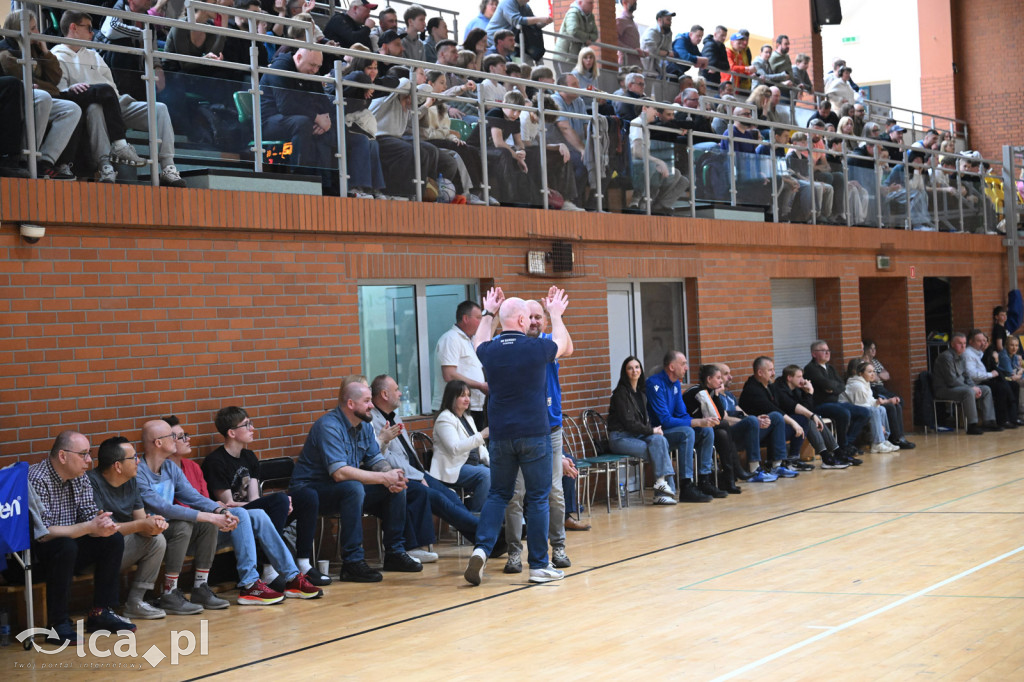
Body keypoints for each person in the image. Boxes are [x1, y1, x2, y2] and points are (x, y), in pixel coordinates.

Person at [137, 420, 321, 605]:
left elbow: (194, 497)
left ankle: (288, 577)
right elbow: (164, 507)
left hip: (193, 530)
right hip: (166, 535)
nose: (177, 439)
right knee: (237, 514)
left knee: (253, 513)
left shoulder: (170, 468)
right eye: (173, 436)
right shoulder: (140, 472)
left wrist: (222, 510)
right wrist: (210, 516)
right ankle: (250, 582)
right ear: (158, 442)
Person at [463, 286, 570, 586]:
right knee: (537, 498)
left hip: (499, 436)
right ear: (523, 321)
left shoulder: (490, 350)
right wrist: (555, 315)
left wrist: (488, 313)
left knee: (499, 494)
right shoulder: (536, 348)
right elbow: (561, 343)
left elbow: (478, 340)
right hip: (534, 434)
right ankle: (538, 565)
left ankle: (482, 550)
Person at [291, 381, 423, 582]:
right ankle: (352, 563)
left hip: (342, 489)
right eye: (368, 401)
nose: (372, 405)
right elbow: (339, 473)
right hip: (311, 492)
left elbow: (375, 459)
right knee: (353, 488)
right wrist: (383, 478)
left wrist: (391, 475)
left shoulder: (363, 427)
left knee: (394, 488)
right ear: (351, 404)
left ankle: (395, 553)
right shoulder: (329, 426)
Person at [53, 10, 185, 187]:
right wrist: (71, 88)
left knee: (159, 108)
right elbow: (60, 90)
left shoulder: (94, 55)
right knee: (95, 108)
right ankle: (105, 165)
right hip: (92, 107)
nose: (93, 33)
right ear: (73, 27)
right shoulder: (57, 55)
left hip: (117, 103)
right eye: (89, 28)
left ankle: (168, 167)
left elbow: (112, 87)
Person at [203, 406, 329, 586]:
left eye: (251, 424)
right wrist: (279, 502)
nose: (252, 429)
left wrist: (283, 503)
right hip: (234, 517)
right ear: (231, 432)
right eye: (246, 425)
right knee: (279, 500)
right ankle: (268, 569)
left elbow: (255, 500)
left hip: (254, 512)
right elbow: (228, 504)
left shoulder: (249, 456)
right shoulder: (215, 461)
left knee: (307, 496)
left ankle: (303, 564)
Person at [29, 431, 134, 644]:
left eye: (89, 454)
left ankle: (101, 612)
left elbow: (88, 513)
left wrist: (102, 525)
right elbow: (43, 532)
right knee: (65, 546)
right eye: (83, 454)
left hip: (69, 547)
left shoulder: (80, 477)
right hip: (36, 554)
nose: (89, 461)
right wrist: (88, 527)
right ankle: (58, 624)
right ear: (62, 456)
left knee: (112, 539)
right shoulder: (36, 478)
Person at [502, 297, 578, 573]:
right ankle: (514, 553)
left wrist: (557, 315)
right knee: (515, 494)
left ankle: (557, 546)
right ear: (521, 319)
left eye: (539, 316)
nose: (534, 321)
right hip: (521, 432)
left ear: (544, 321)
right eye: (529, 316)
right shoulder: (513, 346)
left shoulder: (548, 343)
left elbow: (567, 348)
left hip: (551, 429)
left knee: (554, 492)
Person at [371, 374, 480, 557]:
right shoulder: (372, 420)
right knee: (436, 498)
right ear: (384, 394)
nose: (400, 394)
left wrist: (420, 473)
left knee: (450, 497)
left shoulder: (395, 416)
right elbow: (385, 456)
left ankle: (481, 537)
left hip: (417, 470)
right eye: (396, 390)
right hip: (399, 473)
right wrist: (416, 475)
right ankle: (486, 532)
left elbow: (406, 453)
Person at [86, 436, 169, 621]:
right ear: (117, 466)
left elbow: (141, 521)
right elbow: (101, 529)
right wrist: (141, 525)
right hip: (96, 551)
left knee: (157, 540)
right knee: (114, 540)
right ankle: (106, 609)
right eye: (134, 457)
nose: (138, 461)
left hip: (122, 544)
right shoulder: (91, 483)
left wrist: (154, 525)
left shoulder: (131, 480)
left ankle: (135, 602)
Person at [646, 350, 725, 502]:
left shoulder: (675, 383)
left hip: (673, 429)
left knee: (707, 430)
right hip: (658, 433)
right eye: (683, 364)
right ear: (671, 367)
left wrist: (703, 421)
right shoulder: (654, 384)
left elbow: (682, 414)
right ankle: (686, 485)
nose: (687, 368)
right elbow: (665, 420)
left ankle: (704, 480)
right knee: (687, 432)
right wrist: (696, 422)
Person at [607, 356, 677, 504]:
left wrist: (653, 431)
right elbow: (629, 423)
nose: (634, 371)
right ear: (625, 372)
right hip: (620, 438)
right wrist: (651, 431)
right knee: (658, 450)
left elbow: (641, 423)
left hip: (636, 435)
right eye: (630, 368)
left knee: (660, 441)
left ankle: (660, 486)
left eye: (637, 367)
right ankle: (663, 491)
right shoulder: (620, 394)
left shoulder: (641, 393)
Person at [736, 357, 806, 477]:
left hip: (764, 428)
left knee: (799, 418)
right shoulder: (752, 389)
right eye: (770, 370)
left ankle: (778, 465)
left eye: (773, 370)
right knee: (776, 417)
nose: (774, 373)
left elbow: (785, 404)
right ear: (760, 372)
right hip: (749, 433)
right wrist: (793, 423)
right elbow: (772, 408)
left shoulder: (769, 386)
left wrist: (810, 411)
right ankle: (757, 469)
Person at [804, 340, 869, 463]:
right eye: (823, 350)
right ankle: (842, 446)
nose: (827, 352)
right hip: (819, 405)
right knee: (843, 412)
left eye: (828, 350)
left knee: (864, 412)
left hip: (834, 402)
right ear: (814, 354)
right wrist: (832, 387)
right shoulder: (811, 369)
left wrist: (832, 388)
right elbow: (826, 383)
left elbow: (842, 385)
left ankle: (848, 442)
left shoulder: (830, 368)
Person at [431, 379, 491, 511]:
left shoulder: (467, 417)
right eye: (462, 395)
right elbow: (455, 448)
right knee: (487, 475)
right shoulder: (444, 418)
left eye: (468, 395)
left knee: (500, 472)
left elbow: (480, 448)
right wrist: (482, 435)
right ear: (452, 397)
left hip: (473, 465)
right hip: (454, 468)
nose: (467, 399)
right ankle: (474, 520)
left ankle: (500, 520)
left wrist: (493, 463)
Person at [774, 365, 850, 468]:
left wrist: (808, 393)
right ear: (789, 378)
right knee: (807, 419)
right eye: (799, 377)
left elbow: (808, 410)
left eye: (802, 376)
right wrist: (810, 393)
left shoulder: (797, 389)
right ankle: (825, 457)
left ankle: (837, 452)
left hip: (795, 421)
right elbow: (796, 409)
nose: (803, 380)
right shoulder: (779, 389)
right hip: (781, 424)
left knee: (813, 417)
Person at [432, 300, 489, 427]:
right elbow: (449, 375)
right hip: (454, 408)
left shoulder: (472, 340)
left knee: (478, 445)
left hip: (474, 406)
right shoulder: (451, 339)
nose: (481, 322)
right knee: (464, 445)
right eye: (479, 318)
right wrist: (480, 385)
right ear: (465, 318)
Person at [932, 332, 996, 435]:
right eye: (959, 343)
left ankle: (989, 422)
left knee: (986, 389)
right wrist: (971, 389)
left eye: (965, 343)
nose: (963, 346)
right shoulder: (946, 357)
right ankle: (972, 425)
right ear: (952, 344)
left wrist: (974, 386)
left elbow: (966, 376)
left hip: (960, 387)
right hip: (944, 389)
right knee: (968, 392)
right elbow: (951, 381)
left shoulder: (961, 356)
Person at [862, 339, 915, 449]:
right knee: (891, 406)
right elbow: (874, 378)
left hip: (881, 388)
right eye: (870, 349)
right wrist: (877, 375)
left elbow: (887, 375)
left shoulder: (875, 362)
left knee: (899, 401)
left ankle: (900, 436)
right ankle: (895, 438)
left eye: (874, 348)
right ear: (865, 350)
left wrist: (878, 376)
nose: (873, 351)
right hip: (873, 390)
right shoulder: (862, 363)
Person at [840, 361, 900, 453]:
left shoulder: (865, 383)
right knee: (874, 410)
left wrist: (878, 402)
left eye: (874, 371)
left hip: (858, 406)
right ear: (860, 373)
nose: (873, 374)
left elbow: (869, 401)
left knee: (882, 409)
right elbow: (861, 405)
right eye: (869, 372)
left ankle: (883, 439)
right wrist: (881, 425)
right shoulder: (857, 385)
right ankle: (877, 443)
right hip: (846, 408)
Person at [965, 329, 1019, 428]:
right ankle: (1002, 420)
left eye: (984, 341)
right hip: (977, 382)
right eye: (979, 341)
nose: (983, 343)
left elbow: (989, 366)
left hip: (986, 379)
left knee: (1014, 385)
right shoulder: (968, 354)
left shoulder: (979, 352)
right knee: (1001, 388)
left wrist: (995, 361)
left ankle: (1013, 417)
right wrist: (990, 375)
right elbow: (972, 374)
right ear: (971, 342)